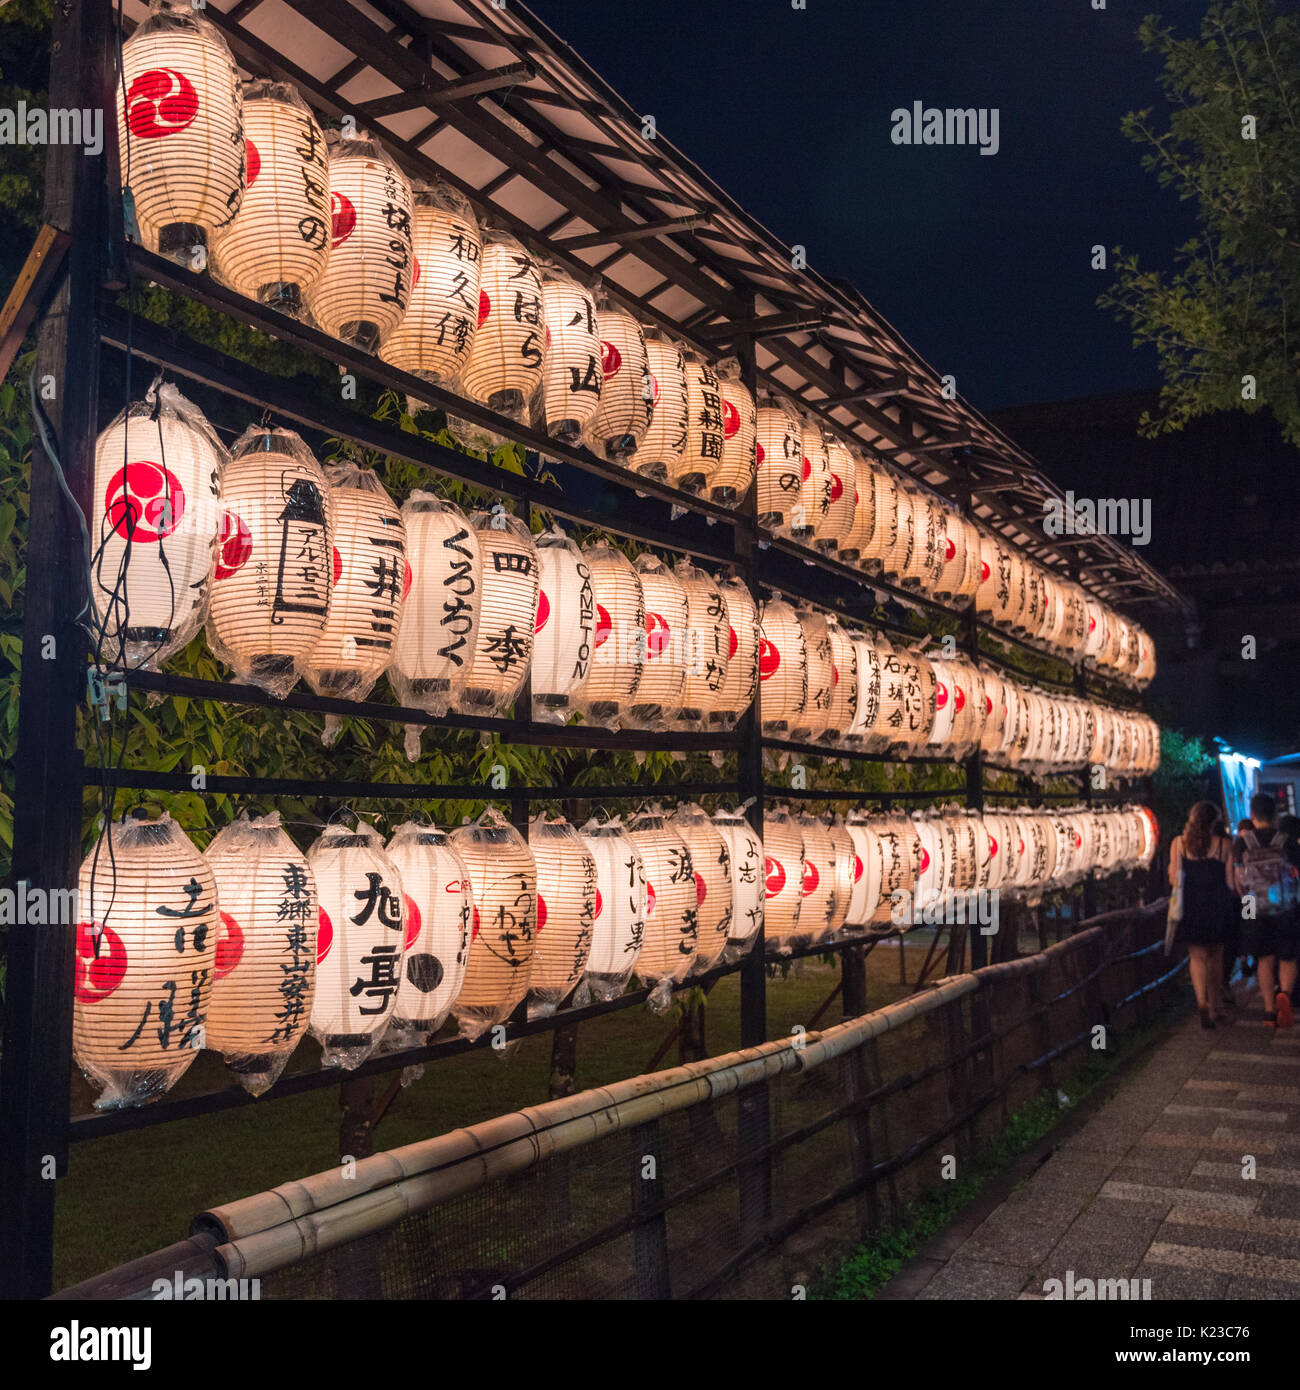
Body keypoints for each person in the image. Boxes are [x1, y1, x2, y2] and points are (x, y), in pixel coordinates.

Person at [1231, 793, 1300, 1029]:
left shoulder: (1242, 842)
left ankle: (1269, 1012)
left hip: (1254, 908)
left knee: (1263, 959)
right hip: (1285, 907)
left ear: (1252, 815)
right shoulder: (1286, 840)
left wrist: (1247, 906)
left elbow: (1238, 880)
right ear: (1275, 814)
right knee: (1288, 957)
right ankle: (1286, 995)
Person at [1169, 801, 1236, 1028]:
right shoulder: (1225, 846)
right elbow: (1230, 882)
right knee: (1216, 957)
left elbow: (1173, 878)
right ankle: (1215, 1006)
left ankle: (1201, 1002)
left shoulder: (1179, 844)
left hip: (1191, 906)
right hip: (1218, 906)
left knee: (1196, 957)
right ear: (1214, 821)